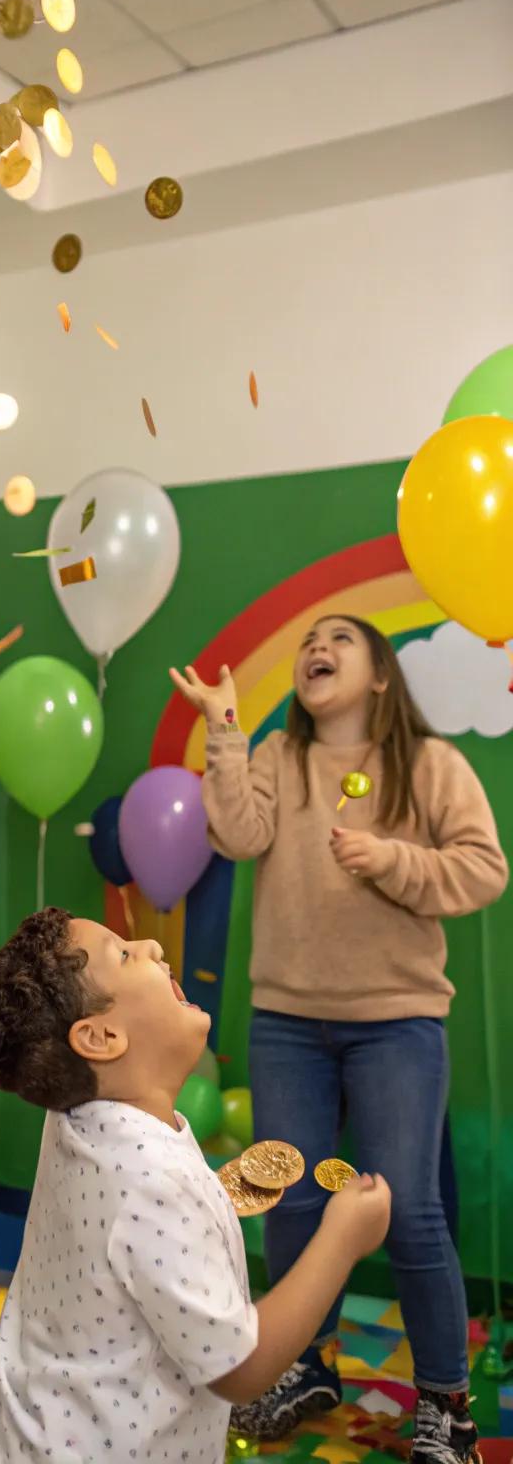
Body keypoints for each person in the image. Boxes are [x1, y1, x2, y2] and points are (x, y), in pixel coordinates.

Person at [171, 614, 508, 1460]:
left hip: (397, 1024)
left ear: (383, 676)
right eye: (309, 640)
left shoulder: (430, 765)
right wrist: (222, 732)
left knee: (411, 1214)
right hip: (287, 1024)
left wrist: (393, 860)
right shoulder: (281, 760)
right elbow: (237, 835)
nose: (316, 647)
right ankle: (307, 1366)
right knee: (292, 1199)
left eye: (340, 639)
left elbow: (483, 868)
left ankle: (445, 1407)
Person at [0, 907, 391, 1464]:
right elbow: (243, 1369)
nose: (153, 949)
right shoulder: (154, 1183)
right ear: (101, 1036)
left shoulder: (73, 1116)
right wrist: (343, 1240)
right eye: (125, 954)